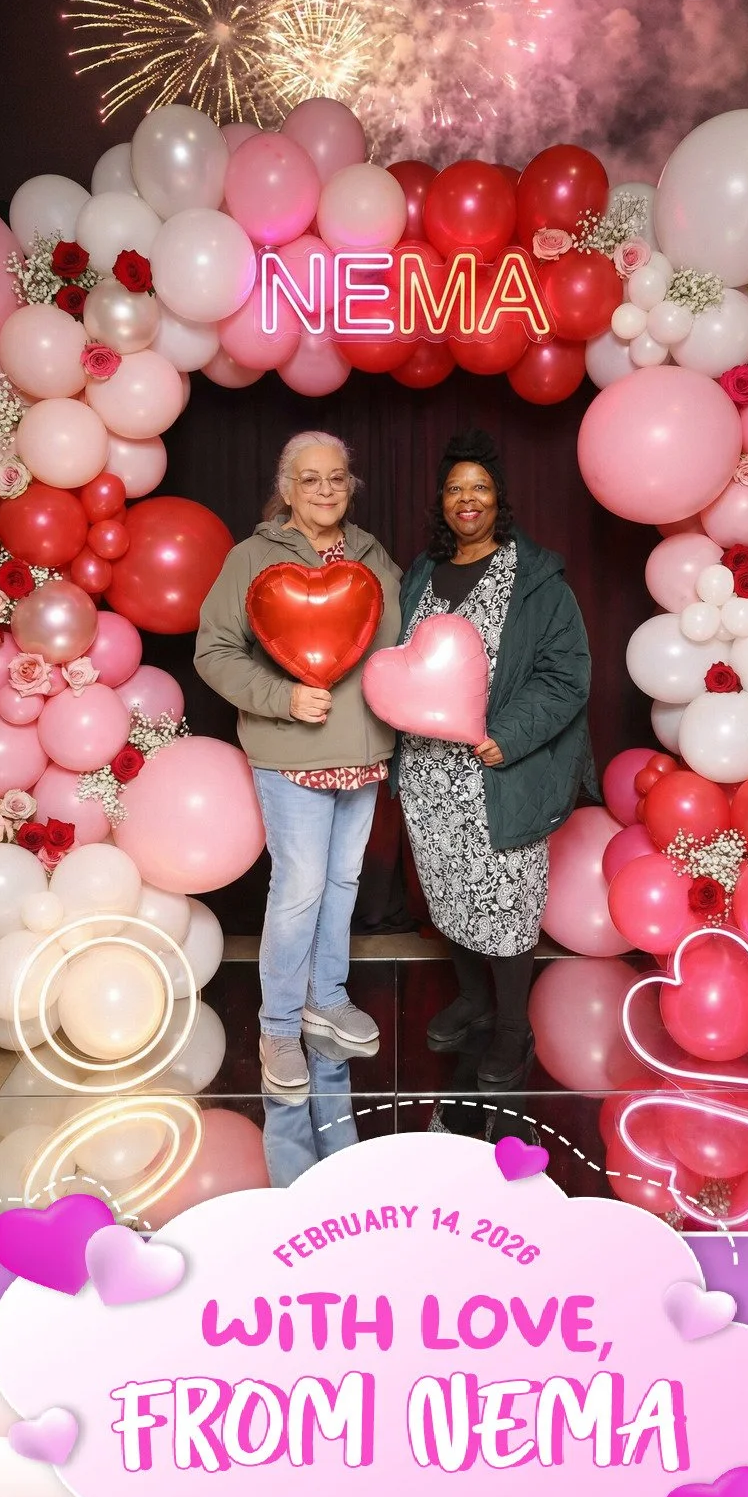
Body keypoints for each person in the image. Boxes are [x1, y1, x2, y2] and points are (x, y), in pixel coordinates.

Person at [194, 431, 401, 1113]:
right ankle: (278, 1028)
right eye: (309, 479)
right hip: (291, 752)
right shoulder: (251, 558)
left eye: (336, 478)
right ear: (287, 488)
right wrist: (280, 697)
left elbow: (395, 648)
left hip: (363, 751)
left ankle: (326, 1001)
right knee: (300, 888)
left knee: (343, 879)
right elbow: (215, 652)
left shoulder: (372, 555)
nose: (325, 490)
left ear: (350, 485)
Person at [393, 428, 594, 1096]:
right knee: (452, 895)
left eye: (479, 486)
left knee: (507, 902)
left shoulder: (535, 579)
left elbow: (567, 675)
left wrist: (506, 734)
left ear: (498, 499)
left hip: (496, 772)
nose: (466, 498)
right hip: (429, 776)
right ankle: (474, 998)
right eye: (455, 488)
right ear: (442, 502)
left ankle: (514, 1027)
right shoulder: (423, 571)